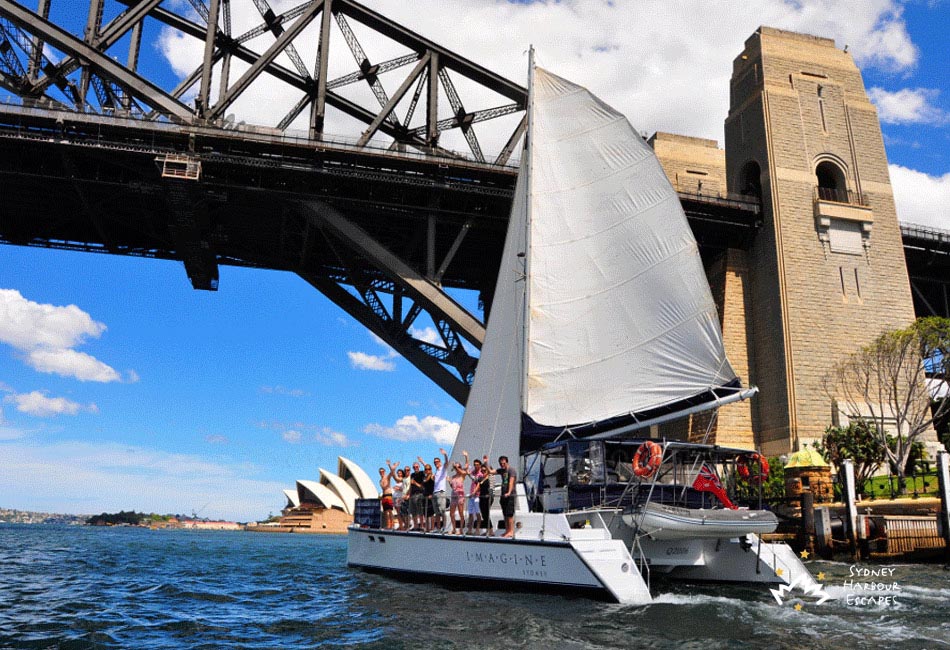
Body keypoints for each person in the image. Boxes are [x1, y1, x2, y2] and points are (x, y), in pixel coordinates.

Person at [428, 449, 449, 532]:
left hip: (441, 492)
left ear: (440, 462)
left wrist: (445, 454)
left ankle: (445, 527)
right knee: (436, 512)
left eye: (437, 461)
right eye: (434, 462)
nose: (436, 463)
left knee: (442, 510)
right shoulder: (436, 472)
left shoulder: (443, 469)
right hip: (435, 493)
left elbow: (447, 462)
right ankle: (438, 528)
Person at [448, 452, 469, 535]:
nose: (457, 468)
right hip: (453, 495)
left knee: (461, 513)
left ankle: (460, 529)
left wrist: (466, 457)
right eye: (456, 467)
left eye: (458, 467)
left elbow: (466, 466)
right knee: (451, 513)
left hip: (460, 496)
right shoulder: (453, 477)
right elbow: (452, 487)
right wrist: (449, 482)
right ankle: (453, 528)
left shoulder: (462, 475)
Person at [498, 455, 517, 538]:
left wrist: (509, 492)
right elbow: (491, 471)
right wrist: (486, 462)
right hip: (503, 495)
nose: (502, 464)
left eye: (503, 463)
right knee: (505, 514)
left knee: (509, 514)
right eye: (501, 463)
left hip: (510, 495)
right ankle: (507, 530)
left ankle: (511, 531)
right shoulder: (502, 471)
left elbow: (511, 482)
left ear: (506, 462)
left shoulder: (511, 470)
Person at [478, 457, 495, 537]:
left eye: (484, 470)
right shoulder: (481, 479)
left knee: (486, 513)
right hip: (481, 497)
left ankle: (491, 531)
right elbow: (474, 479)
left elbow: (491, 487)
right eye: (482, 471)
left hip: (488, 497)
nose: (483, 472)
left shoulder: (491, 477)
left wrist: (486, 462)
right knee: (484, 514)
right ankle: (488, 530)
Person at [409, 462, 426, 531]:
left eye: (416, 467)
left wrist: (422, 461)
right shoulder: (412, 475)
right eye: (414, 467)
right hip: (412, 494)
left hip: (419, 494)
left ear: (419, 467)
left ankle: (422, 525)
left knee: (420, 511)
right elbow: (410, 485)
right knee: (414, 512)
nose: (415, 468)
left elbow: (427, 469)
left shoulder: (422, 473)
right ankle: (415, 526)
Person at [378, 464, 394, 529]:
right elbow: (383, 487)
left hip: (389, 495)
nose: (382, 473)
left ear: (384, 471)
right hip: (384, 496)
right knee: (385, 512)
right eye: (380, 472)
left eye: (382, 471)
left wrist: (389, 465)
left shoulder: (387, 477)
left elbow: (392, 472)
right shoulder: (380, 481)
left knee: (390, 511)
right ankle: (388, 525)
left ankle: (392, 525)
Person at [421, 463, 435, 531]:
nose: (427, 470)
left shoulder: (432, 476)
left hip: (430, 496)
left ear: (431, 470)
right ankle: (427, 528)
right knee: (425, 513)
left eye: (429, 469)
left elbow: (435, 486)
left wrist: (432, 494)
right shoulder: (424, 478)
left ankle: (432, 528)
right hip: (424, 496)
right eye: (426, 469)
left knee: (431, 513)